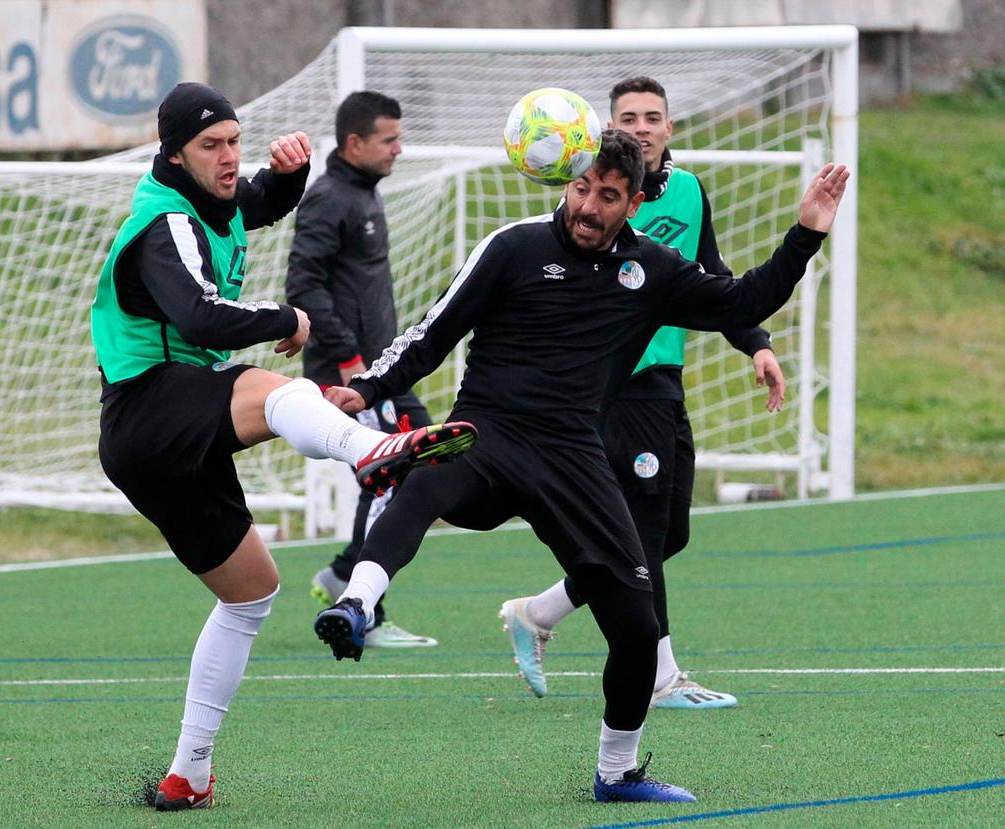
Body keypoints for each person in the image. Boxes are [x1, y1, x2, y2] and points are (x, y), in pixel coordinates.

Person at [314, 129, 849, 803]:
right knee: (422, 481)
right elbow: (432, 331)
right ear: (565, 183)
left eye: (610, 196)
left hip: (572, 456)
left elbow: (743, 303)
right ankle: (357, 603)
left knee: (637, 627)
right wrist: (366, 388)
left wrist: (805, 235)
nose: (590, 206)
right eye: (582, 188)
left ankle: (617, 771)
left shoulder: (651, 270)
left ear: (632, 204)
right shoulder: (514, 247)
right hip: (490, 431)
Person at [89, 82, 477, 812]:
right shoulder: (161, 221)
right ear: (173, 153)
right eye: (212, 146)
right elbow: (199, 318)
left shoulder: (210, 195)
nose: (230, 157)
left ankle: (189, 772)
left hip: (168, 437)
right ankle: (368, 450)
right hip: (147, 410)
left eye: (235, 140)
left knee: (250, 591)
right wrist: (284, 314)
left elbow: (258, 202)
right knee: (269, 385)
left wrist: (293, 174)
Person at [499, 76, 786, 707]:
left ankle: (539, 612)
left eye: (653, 116)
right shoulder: (590, 200)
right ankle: (659, 676)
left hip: (664, 382)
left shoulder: (687, 192)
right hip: (610, 387)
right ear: (607, 128)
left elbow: (713, 278)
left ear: (670, 128)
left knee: (665, 534)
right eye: (628, 117)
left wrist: (756, 343)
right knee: (641, 532)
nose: (642, 126)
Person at [287, 90, 438, 649]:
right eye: (389, 139)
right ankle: (362, 608)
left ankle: (345, 573)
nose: (399, 149)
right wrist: (349, 357)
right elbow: (303, 285)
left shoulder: (364, 194)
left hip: (381, 372)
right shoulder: (328, 198)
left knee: (422, 461)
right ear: (355, 143)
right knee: (391, 475)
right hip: (349, 375)